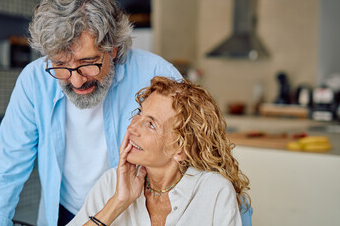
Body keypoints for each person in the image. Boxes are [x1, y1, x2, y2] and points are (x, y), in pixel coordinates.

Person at [0, 0, 182, 225]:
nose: (77, 81)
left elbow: (198, 159)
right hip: (65, 212)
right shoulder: (34, 81)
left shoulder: (158, 76)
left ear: (114, 49)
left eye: (88, 63)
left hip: (134, 213)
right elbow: (7, 165)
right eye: (60, 64)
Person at [68, 76, 252, 226]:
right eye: (139, 113)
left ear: (180, 149)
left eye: (151, 124)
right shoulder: (111, 184)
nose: (132, 128)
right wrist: (117, 202)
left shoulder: (214, 192)